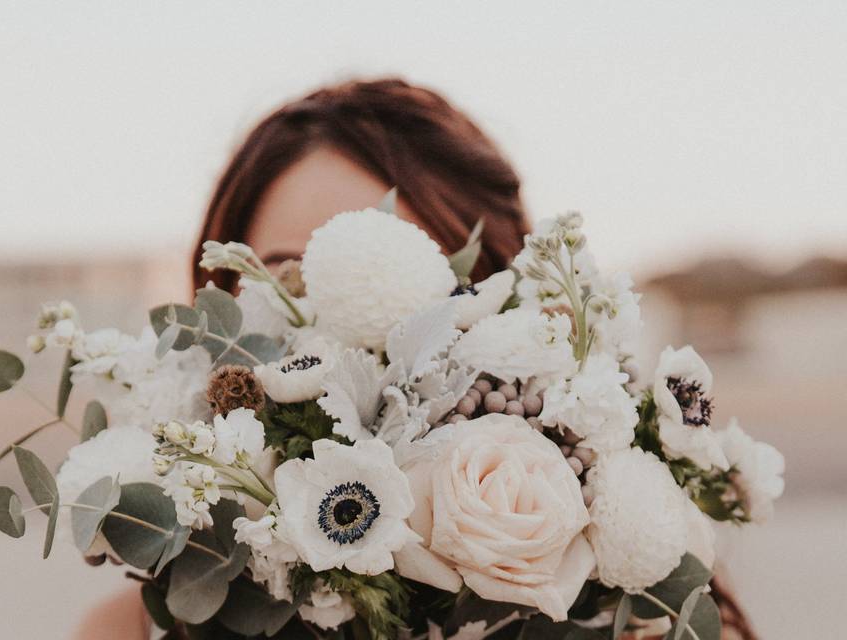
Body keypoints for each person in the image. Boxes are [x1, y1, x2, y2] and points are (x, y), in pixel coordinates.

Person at [76, 77, 755, 640]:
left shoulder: (644, 624)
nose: (342, 337)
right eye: (292, 284)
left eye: (406, 290)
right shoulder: (132, 632)